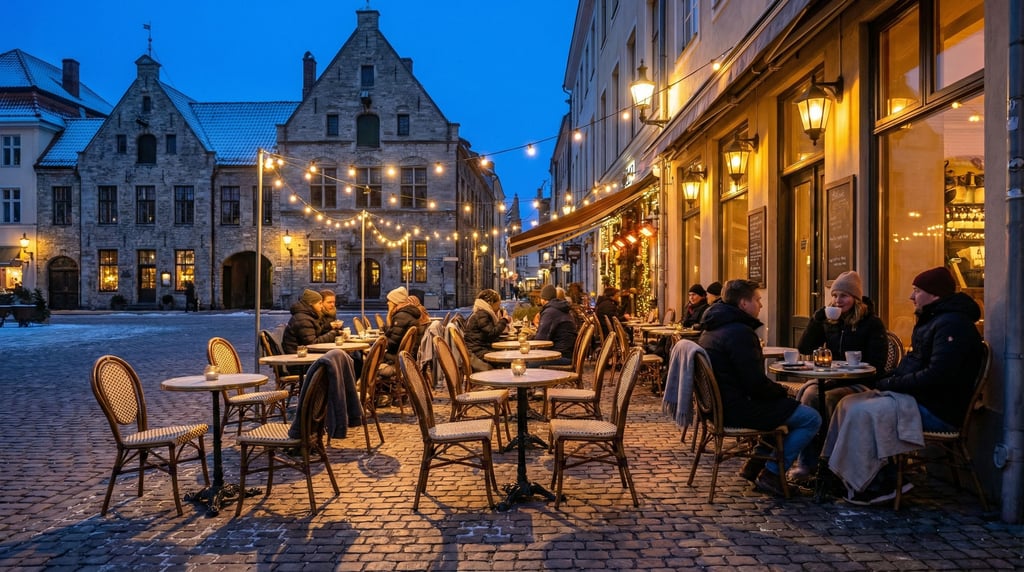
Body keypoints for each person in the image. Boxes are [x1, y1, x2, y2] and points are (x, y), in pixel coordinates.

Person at [824, 266, 984, 504]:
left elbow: (938, 376)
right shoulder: (934, 321)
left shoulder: (952, 326)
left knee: (862, 410)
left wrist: (891, 384)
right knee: (847, 403)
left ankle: (877, 483)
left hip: (937, 408)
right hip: (917, 399)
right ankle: (842, 476)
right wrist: (889, 383)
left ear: (934, 294)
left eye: (917, 291)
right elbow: (916, 366)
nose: (911, 296)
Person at [698, 279, 822, 497]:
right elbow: (755, 385)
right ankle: (772, 474)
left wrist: (780, 395)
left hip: (721, 407)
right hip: (737, 409)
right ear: (744, 304)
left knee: (786, 408)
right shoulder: (739, 333)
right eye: (757, 300)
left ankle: (755, 464)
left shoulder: (713, 328)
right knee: (810, 418)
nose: (761, 305)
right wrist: (782, 391)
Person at [791, 271, 888, 480]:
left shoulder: (871, 323)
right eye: (834, 296)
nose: (837, 300)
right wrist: (816, 320)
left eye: (843, 295)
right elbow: (804, 346)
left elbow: (877, 365)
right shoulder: (829, 321)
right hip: (832, 380)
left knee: (821, 397)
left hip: (862, 384)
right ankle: (808, 462)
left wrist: (853, 369)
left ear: (855, 298)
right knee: (808, 394)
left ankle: (831, 463)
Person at [463, 289, 510, 372]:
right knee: (512, 361)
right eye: (498, 304)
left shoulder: (480, 312)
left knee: (509, 356)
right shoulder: (482, 314)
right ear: (491, 302)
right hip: (478, 352)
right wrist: (504, 320)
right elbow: (492, 333)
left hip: (479, 349)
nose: (499, 307)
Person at [531, 284, 577, 367]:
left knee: (526, 363)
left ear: (543, 299)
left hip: (561, 356)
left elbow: (541, 340)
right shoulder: (558, 309)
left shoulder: (550, 312)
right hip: (566, 353)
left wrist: (528, 343)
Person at [282, 289, 338, 353]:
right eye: (319, 303)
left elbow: (315, 332)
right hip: (298, 354)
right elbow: (312, 344)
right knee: (337, 354)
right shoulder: (303, 319)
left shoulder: (309, 315)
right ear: (311, 303)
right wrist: (333, 334)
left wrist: (331, 328)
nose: (322, 306)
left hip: (304, 352)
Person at [382, 286, 424, 364]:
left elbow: (392, 344)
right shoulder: (407, 313)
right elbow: (394, 335)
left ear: (395, 302)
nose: (388, 303)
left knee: (365, 360)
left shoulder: (401, 316)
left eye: (389, 300)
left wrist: (378, 346)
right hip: (407, 356)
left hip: (399, 360)